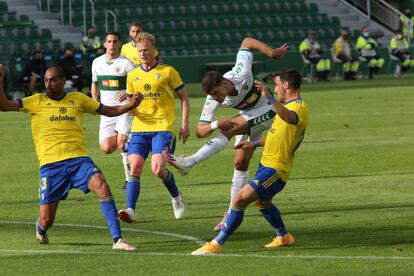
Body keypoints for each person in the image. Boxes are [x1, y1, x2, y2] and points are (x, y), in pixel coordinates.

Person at [0, 64, 143, 250]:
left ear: (63, 81)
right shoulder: (36, 101)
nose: (48, 84)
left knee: (102, 185)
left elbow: (108, 110)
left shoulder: (78, 99)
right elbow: (4, 106)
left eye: (52, 80)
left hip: (78, 161)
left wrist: (131, 105)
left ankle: (118, 240)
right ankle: (40, 229)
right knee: (47, 220)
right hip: (51, 166)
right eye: (45, 80)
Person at [164, 37, 288, 231]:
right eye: (212, 96)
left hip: (271, 111)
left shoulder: (242, 72)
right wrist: (215, 123)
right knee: (240, 163)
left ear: (223, 83)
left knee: (231, 127)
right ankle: (231, 212)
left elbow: (247, 42)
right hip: (249, 116)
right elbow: (200, 131)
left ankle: (189, 162)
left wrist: (271, 53)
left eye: (215, 93)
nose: (215, 99)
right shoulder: (213, 98)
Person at [191, 69, 309, 255]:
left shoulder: (297, 107)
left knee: (238, 200)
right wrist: (253, 143)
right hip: (266, 165)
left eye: (277, 85)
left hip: (276, 169)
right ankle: (284, 236)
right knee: (262, 203)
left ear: (286, 85)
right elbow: (275, 136)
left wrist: (270, 99)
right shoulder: (285, 107)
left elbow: (290, 119)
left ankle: (215, 244)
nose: (275, 89)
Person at [117, 32, 190, 223]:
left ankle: (176, 197)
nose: (142, 54)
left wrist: (184, 124)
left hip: (162, 127)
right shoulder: (132, 75)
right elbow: (131, 107)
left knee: (158, 169)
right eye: (139, 50)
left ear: (154, 50)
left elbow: (184, 98)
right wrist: (130, 108)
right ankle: (130, 210)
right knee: (135, 168)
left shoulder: (168, 72)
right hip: (140, 128)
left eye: (146, 50)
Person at [91, 32, 136, 189]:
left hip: (124, 109)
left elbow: (139, 83)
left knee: (121, 144)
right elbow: (95, 83)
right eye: (109, 41)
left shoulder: (127, 64)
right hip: (106, 112)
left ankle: (129, 179)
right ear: (104, 44)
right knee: (107, 148)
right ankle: (133, 141)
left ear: (119, 44)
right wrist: (93, 100)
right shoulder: (97, 63)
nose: (112, 44)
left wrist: (129, 91)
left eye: (115, 41)